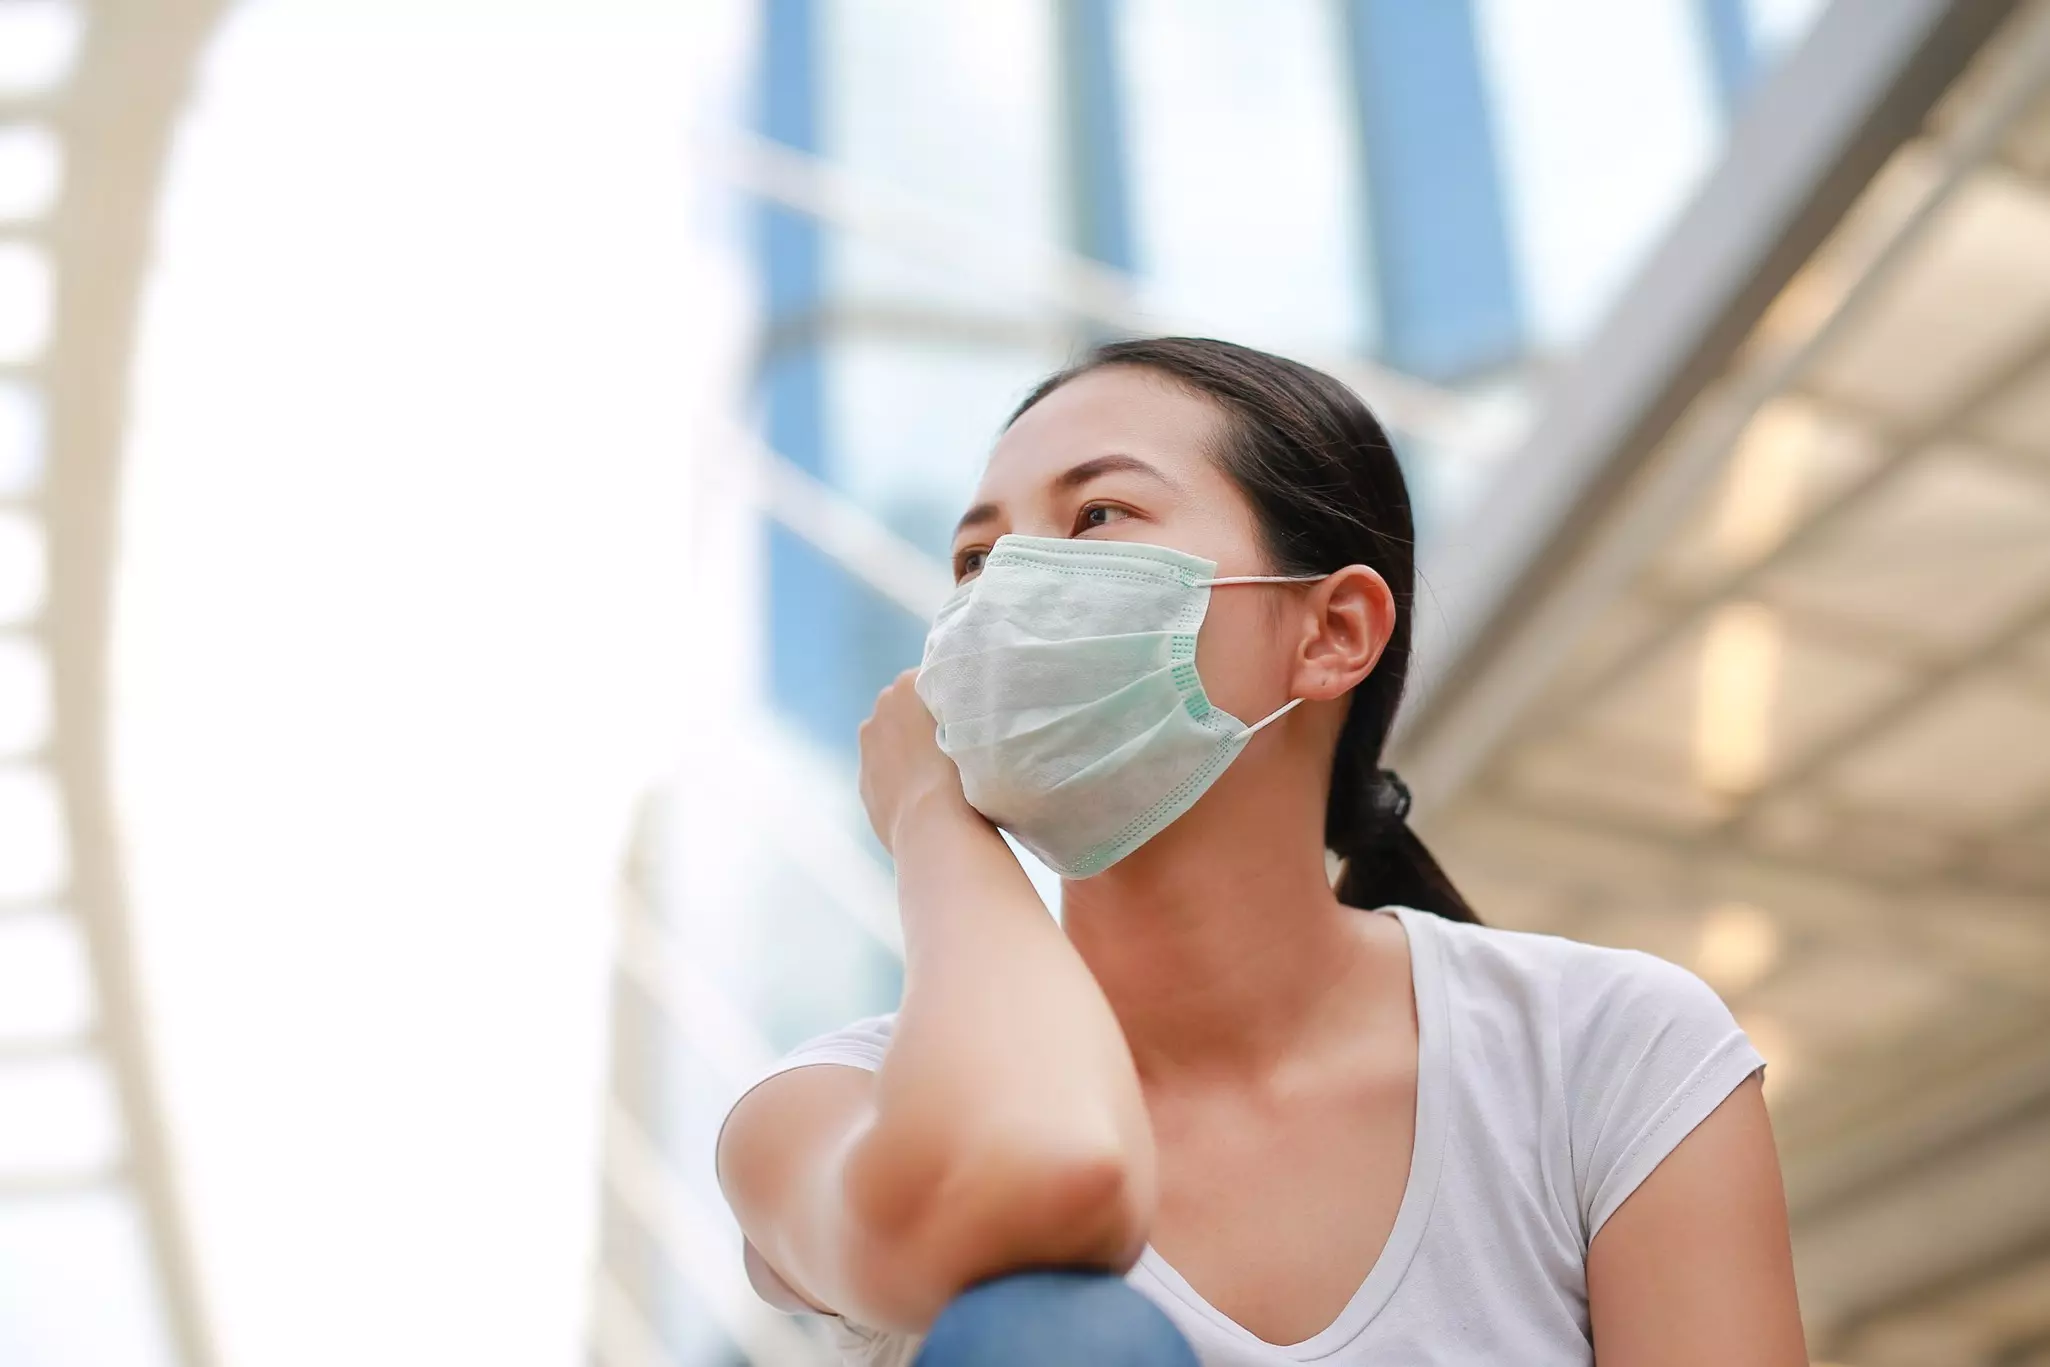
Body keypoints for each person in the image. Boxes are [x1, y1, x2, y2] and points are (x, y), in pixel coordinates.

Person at [716, 338, 1808, 1366]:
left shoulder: (1597, 1051)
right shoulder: (833, 1103)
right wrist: (933, 828)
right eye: (973, 557)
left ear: (1331, 631)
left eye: (1097, 512)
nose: (1005, 593)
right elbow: (1017, 1179)